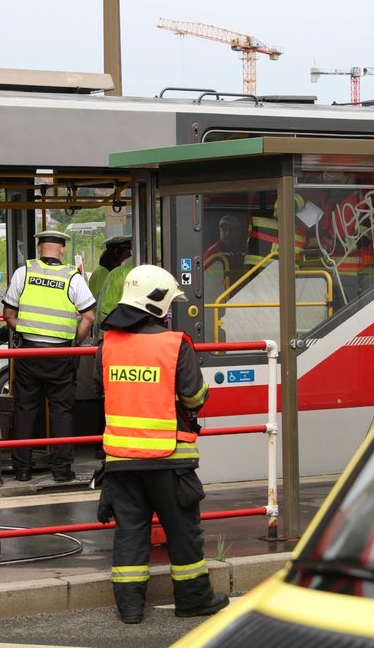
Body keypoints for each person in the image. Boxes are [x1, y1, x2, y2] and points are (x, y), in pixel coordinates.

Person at [93, 265, 229, 624]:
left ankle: (130, 609)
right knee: (183, 532)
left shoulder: (108, 344)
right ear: (156, 303)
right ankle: (193, 600)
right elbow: (194, 397)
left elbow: (99, 388)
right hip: (170, 459)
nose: (170, 311)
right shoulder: (174, 343)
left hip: (121, 460)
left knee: (130, 533)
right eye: (168, 304)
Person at [2, 230, 96, 482]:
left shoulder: (24, 272)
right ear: (62, 249)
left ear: (39, 247)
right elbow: (89, 316)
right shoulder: (72, 277)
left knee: (25, 409)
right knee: (61, 411)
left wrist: (22, 332)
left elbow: (9, 313)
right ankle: (61, 470)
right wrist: (74, 341)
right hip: (60, 354)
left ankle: (22, 470)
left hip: (29, 352)